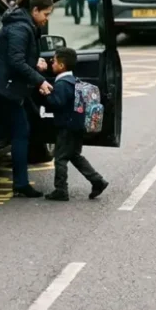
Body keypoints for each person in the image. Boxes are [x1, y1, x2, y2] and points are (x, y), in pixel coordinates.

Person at [0, 0, 55, 198]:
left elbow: (18, 58)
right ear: (35, 10)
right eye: (46, 14)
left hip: (4, 84)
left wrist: (34, 64)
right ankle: (20, 183)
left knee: (14, 127)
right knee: (21, 130)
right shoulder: (21, 28)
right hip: (0, 86)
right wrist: (40, 80)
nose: (47, 19)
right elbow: (15, 61)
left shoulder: (22, 24)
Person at [42, 48, 109, 201]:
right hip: (77, 125)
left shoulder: (62, 84)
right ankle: (97, 181)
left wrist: (46, 93)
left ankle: (61, 190)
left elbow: (56, 103)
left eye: (54, 61)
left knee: (60, 158)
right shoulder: (73, 81)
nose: (52, 64)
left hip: (67, 127)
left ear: (61, 66)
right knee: (74, 156)